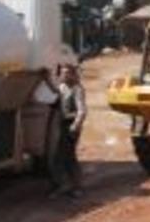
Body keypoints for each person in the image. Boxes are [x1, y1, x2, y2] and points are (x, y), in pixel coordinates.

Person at [51, 63, 87, 198]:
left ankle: (77, 187)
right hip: (63, 124)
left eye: (67, 73)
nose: (64, 75)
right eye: (62, 73)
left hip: (71, 125)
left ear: (73, 74)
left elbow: (82, 111)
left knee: (69, 155)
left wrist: (75, 126)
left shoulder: (77, 89)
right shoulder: (62, 87)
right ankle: (64, 185)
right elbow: (54, 91)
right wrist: (45, 78)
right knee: (59, 155)